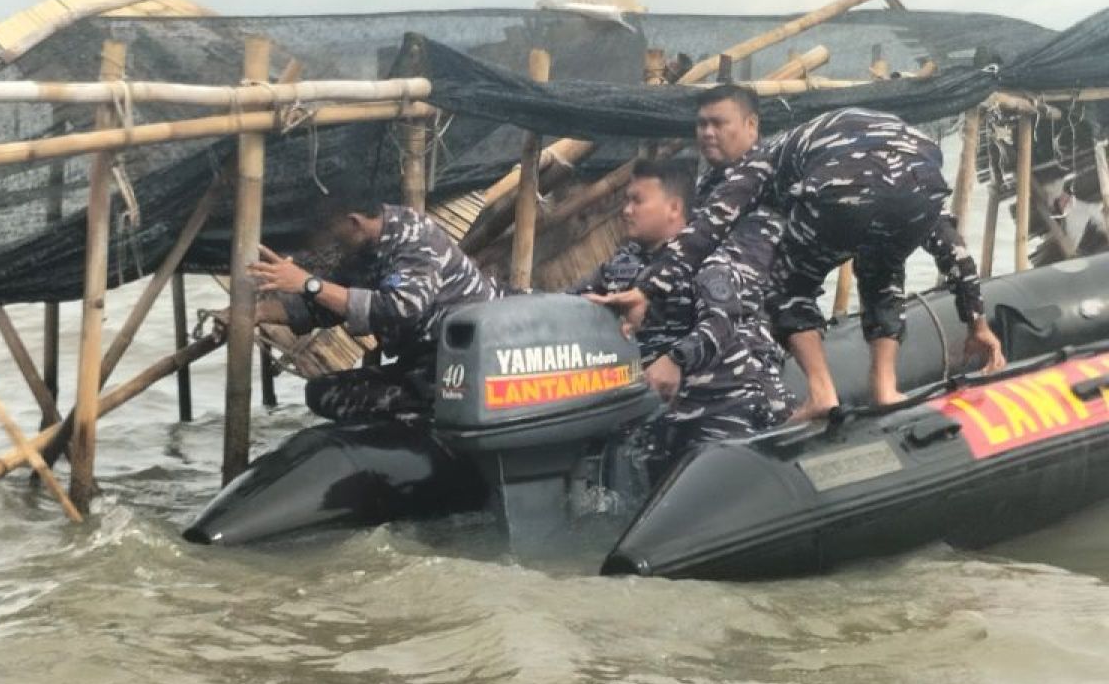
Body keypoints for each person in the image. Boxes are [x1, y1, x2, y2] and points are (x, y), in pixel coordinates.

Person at [595, 86, 1006, 421]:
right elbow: (949, 241)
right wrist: (977, 321)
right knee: (882, 266)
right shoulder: (825, 149)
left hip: (843, 177)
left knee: (789, 286)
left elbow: (709, 227)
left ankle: (822, 393)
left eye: (717, 123)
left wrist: (647, 290)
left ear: (752, 126)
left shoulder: (764, 159)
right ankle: (884, 387)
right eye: (700, 124)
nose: (706, 133)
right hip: (924, 174)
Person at [575, 158, 783, 453]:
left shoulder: (709, 259)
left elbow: (722, 320)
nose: (626, 210)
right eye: (626, 201)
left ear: (673, 207)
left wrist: (676, 360)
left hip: (716, 412)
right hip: (650, 417)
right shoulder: (620, 267)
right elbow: (563, 300)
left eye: (637, 200)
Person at [247, 184, 499, 422]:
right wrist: (254, 313)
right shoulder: (364, 248)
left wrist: (309, 283)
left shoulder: (414, 238)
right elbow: (323, 305)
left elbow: (400, 308)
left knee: (341, 400)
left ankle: (420, 430)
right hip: (420, 364)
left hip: (460, 367)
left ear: (354, 222)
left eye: (332, 231)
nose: (328, 239)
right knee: (320, 392)